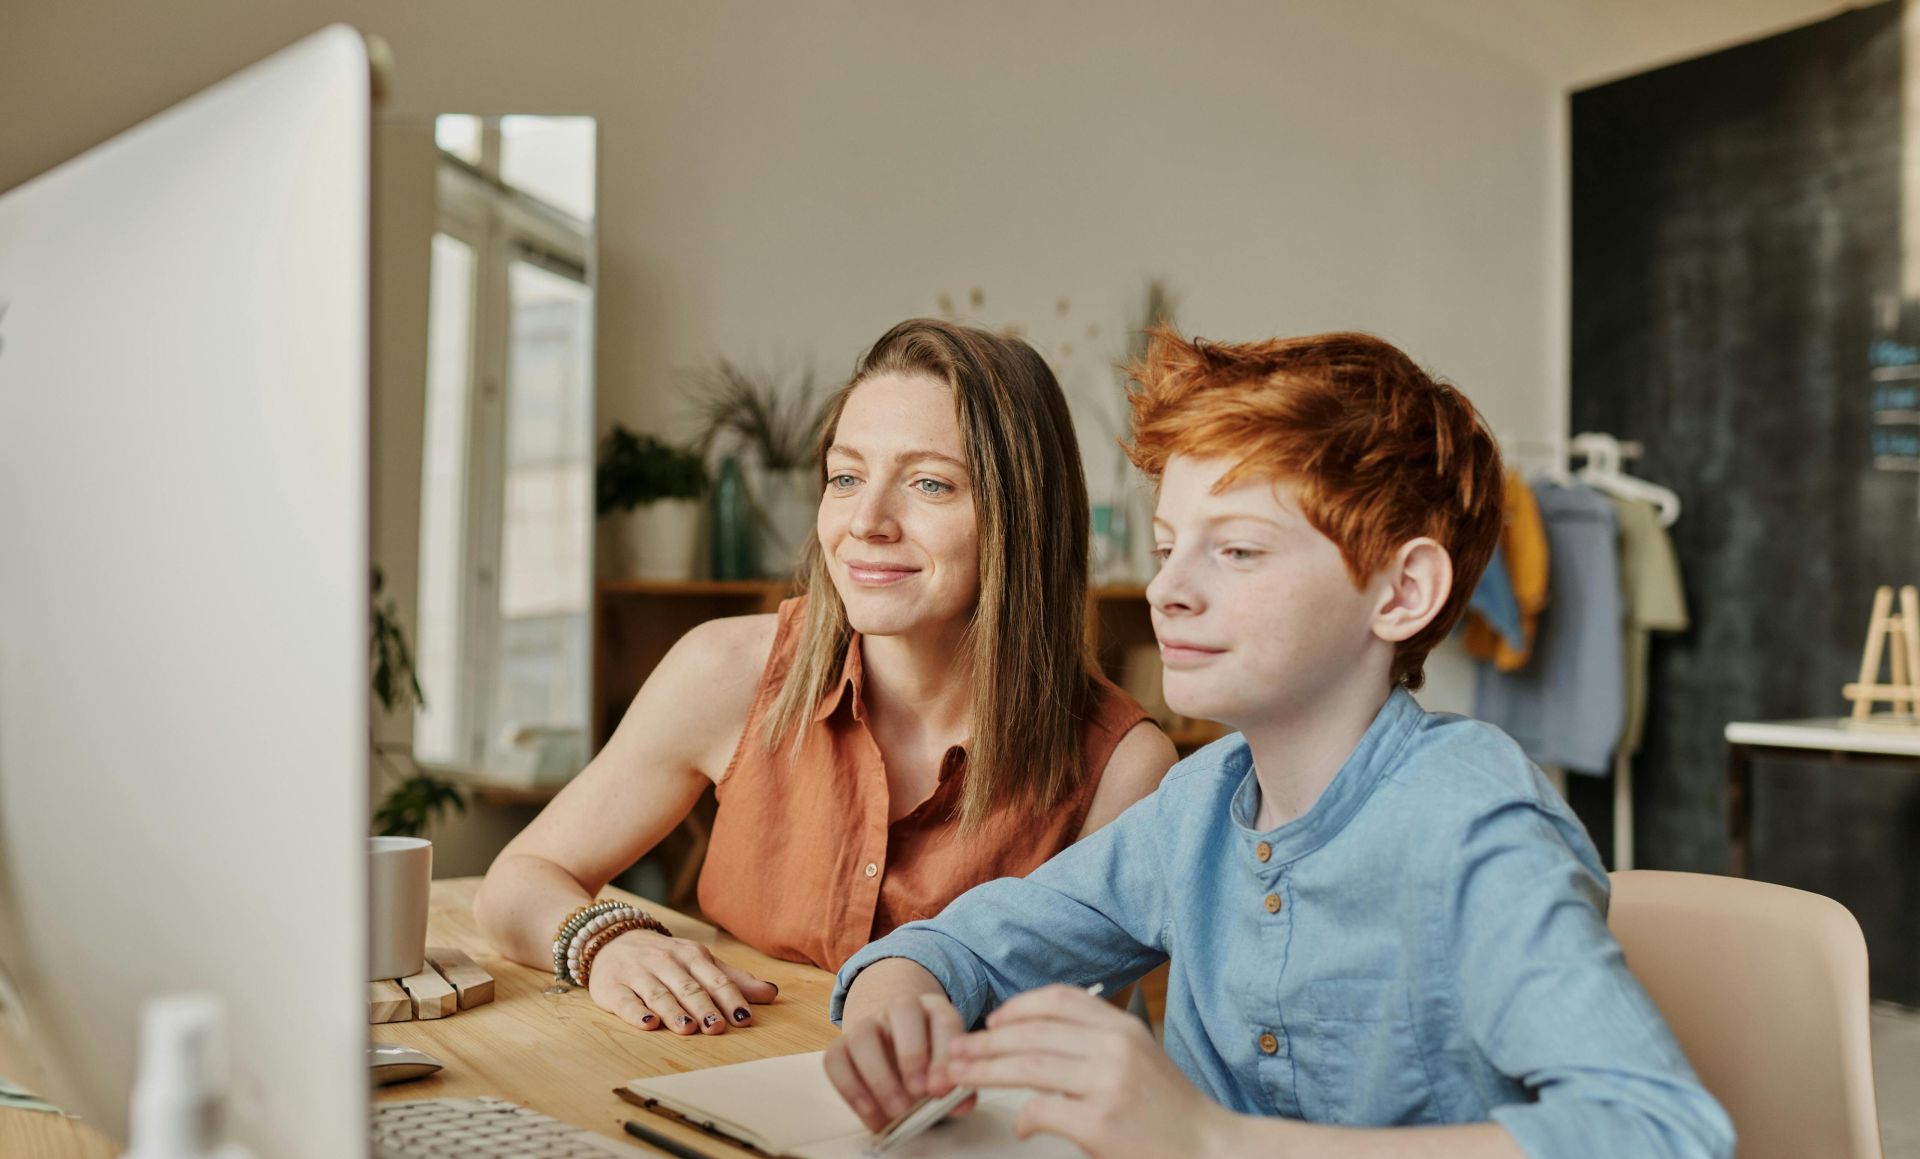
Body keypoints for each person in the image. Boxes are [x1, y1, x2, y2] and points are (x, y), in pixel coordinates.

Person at [825, 328, 1734, 1159]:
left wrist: (1209, 1140)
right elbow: (967, 945)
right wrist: (893, 1013)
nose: (1167, 590)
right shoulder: (1198, 804)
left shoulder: (1474, 820)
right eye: (1168, 544)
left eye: (1239, 552)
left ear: (1402, 590)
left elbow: (1659, 1132)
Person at [474, 318, 1176, 1038]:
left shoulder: (1122, 767)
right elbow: (517, 879)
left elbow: (1069, 1039)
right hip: (696, 1094)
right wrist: (609, 942)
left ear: (1022, 515)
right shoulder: (726, 670)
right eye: (845, 476)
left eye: (929, 483)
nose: (865, 520)